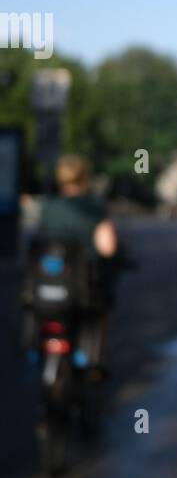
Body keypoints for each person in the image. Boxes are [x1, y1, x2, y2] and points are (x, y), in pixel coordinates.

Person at [32, 155, 118, 372]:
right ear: (84, 177)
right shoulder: (93, 206)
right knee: (102, 304)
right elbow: (108, 248)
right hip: (82, 286)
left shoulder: (48, 206)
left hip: (46, 282)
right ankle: (93, 358)